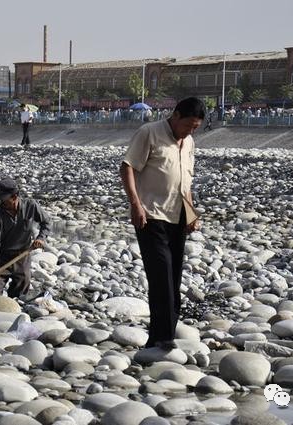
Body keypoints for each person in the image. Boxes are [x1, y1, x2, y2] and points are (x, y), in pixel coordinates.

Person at [120, 97, 205, 351]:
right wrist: (136, 204)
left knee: (174, 277)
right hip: (151, 215)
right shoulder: (149, 133)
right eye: (188, 125)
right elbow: (127, 168)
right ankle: (163, 339)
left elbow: (185, 183)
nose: (190, 131)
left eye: (196, 127)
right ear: (176, 115)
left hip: (177, 217)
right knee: (161, 278)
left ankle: (159, 337)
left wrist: (192, 214)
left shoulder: (189, 142)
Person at [0, 177, 51, 298]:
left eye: (5, 200)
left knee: (21, 291)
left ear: (15, 197)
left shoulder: (31, 206)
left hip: (23, 255)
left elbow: (46, 222)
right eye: (0, 200)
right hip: (3, 257)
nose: (2, 203)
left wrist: (41, 238)